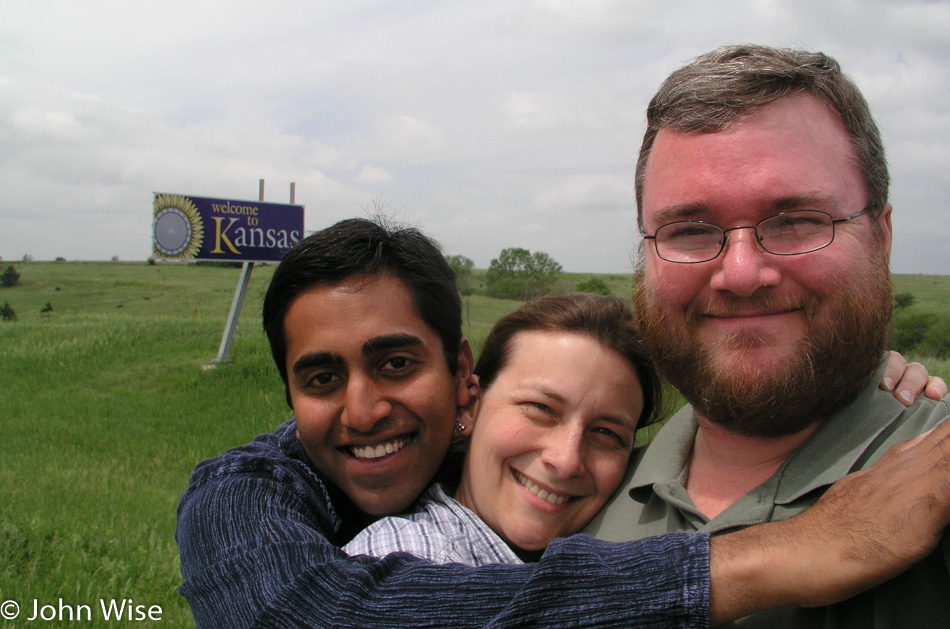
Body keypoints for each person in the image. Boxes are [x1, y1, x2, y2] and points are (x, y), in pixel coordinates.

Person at [176, 217, 950, 629]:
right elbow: (306, 612)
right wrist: (785, 553)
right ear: (476, 400)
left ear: (461, 377)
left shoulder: (610, 497)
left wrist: (846, 375)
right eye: (320, 377)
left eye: (396, 363)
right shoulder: (347, 529)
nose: (364, 409)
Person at [584, 44, 950, 628]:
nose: (742, 274)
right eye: (688, 231)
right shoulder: (577, 492)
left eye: (798, 220)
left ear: (881, 238)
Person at [344, 292, 665, 565]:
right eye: (541, 408)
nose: (566, 461)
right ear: (471, 405)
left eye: (606, 433)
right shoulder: (403, 560)